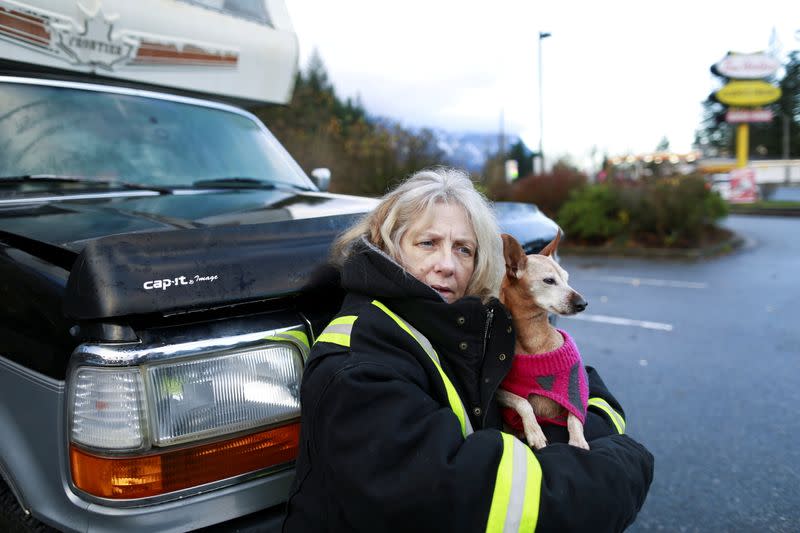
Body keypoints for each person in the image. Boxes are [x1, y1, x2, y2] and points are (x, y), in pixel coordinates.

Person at [283, 167, 653, 533]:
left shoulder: (468, 320)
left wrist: (581, 433)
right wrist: (621, 464)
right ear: (388, 245)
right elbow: (467, 500)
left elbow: (583, 387)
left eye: (464, 249)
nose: (447, 265)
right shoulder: (358, 363)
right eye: (428, 243)